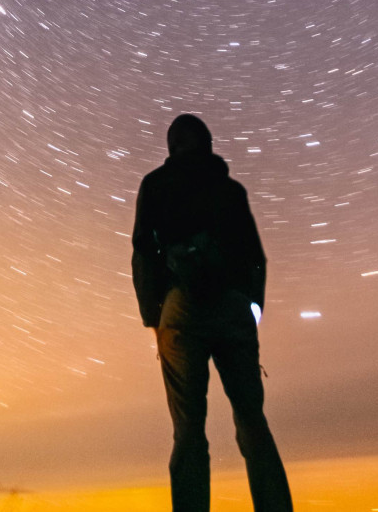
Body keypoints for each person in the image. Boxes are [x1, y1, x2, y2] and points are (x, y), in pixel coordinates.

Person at [131, 114, 293, 512]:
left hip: (180, 311)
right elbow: (255, 257)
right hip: (232, 308)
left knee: (188, 432)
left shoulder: (155, 185)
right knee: (252, 420)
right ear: (208, 143)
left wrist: (153, 317)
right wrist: (253, 306)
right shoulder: (230, 190)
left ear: (171, 147)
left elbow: (142, 255)